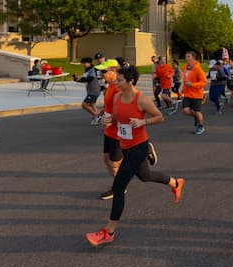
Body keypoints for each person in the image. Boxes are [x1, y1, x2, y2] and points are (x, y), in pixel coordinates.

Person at [85, 66, 184, 247]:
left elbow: (159, 117)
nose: (116, 82)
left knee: (118, 187)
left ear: (130, 82)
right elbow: (117, 116)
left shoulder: (142, 100)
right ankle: (175, 183)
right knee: (145, 176)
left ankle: (109, 231)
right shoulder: (117, 97)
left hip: (138, 147)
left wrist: (142, 121)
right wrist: (109, 120)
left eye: (120, 80)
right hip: (125, 144)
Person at [93, 59, 126, 200]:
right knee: (106, 159)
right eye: (101, 71)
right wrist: (102, 112)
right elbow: (110, 106)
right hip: (109, 132)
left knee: (114, 163)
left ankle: (118, 188)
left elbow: (124, 113)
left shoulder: (119, 89)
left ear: (114, 72)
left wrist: (110, 120)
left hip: (118, 133)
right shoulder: (110, 87)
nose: (101, 74)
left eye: (104, 71)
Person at [182, 51, 207, 135]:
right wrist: (183, 88)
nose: (186, 58)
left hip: (196, 94)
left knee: (197, 111)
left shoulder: (198, 69)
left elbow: (204, 82)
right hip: (187, 93)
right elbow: (185, 79)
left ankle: (200, 125)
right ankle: (196, 117)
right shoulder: (185, 67)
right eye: (186, 56)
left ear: (193, 58)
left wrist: (193, 84)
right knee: (185, 110)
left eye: (188, 56)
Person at [73, 57, 101, 125]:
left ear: (89, 63)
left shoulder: (92, 70)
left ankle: (96, 116)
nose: (83, 64)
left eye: (84, 63)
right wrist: (77, 79)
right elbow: (84, 78)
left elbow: (90, 78)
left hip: (94, 91)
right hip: (90, 91)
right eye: (82, 63)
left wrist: (80, 80)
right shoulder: (87, 70)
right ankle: (97, 116)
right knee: (92, 105)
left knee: (84, 105)